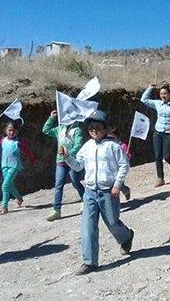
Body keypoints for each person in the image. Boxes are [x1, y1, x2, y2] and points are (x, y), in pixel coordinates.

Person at [63, 110, 134, 275]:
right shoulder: (86, 147)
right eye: (91, 128)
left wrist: (117, 185)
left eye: (98, 127)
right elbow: (78, 166)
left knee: (112, 222)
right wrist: (68, 157)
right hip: (90, 192)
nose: (94, 130)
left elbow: (124, 165)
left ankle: (126, 236)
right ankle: (90, 262)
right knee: (88, 227)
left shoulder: (113, 146)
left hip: (108, 191)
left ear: (105, 128)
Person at [42, 111, 85, 221]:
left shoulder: (77, 130)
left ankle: (85, 200)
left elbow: (78, 145)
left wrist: (69, 154)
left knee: (75, 182)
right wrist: (51, 118)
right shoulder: (60, 129)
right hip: (60, 161)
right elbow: (45, 130)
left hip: (72, 161)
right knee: (58, 185)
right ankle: (56, 210)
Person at [0, 121, 36, 215]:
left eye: (13, 130)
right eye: (9, 130)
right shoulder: (3, 140)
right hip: (4, 166)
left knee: (5, 185)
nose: (11, 132)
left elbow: (27, 151)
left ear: (16, 131)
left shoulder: (17, 143)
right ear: (5, 131)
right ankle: (19, 198)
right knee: (10, 185)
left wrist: (33, 161)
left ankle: (4, 207)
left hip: (14, 166)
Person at [140, 83, 170, 187]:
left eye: (165, 93)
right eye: (161, 94)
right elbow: (144, 99)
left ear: (169, 94)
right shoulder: (157, 103)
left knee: (167, 156)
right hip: (157, 132)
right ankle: (160, 178)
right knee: (158, 156)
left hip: (169, 132)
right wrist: (150, 88)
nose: (163, 96)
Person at [107, 126, 132, 200]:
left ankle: (126, 191)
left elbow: (128, 157)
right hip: (110, 168)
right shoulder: (107, 146)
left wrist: (127, 155)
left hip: (119, 169)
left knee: (119, 184)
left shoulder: (122, 146)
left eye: (113, 138)